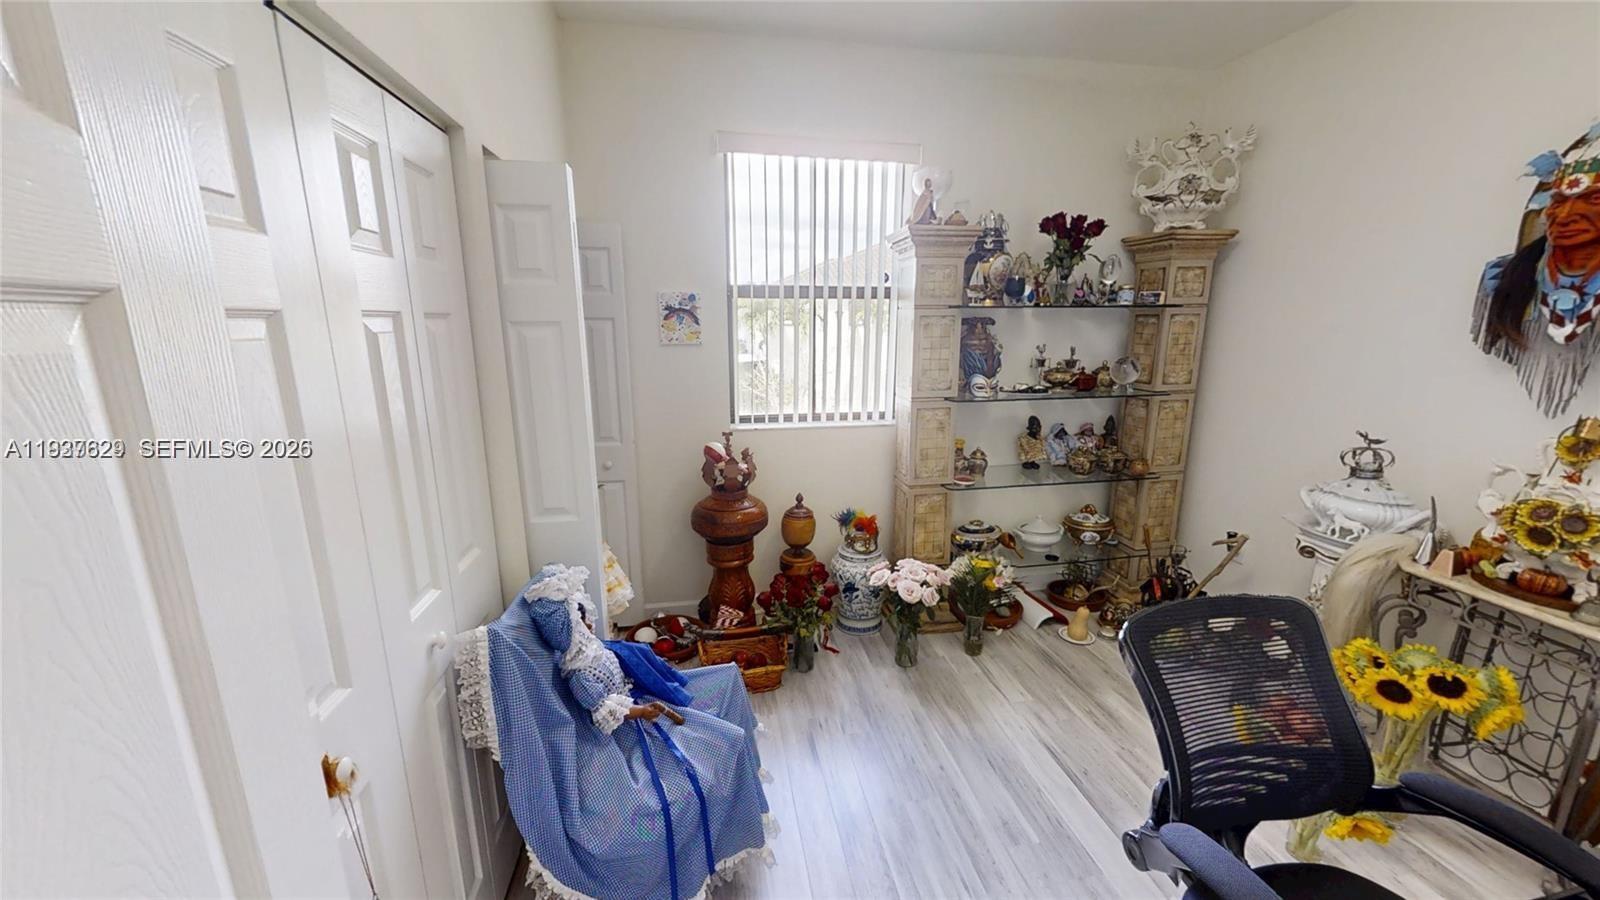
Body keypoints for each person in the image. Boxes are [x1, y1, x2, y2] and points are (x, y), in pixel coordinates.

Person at [457, 564, 774, 900]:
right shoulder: (578, 673)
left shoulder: (591, 652)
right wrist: (642, 711)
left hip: (638, 701)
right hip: (627, 727)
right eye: (579, 619)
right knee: (715, 745)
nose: (587, 624)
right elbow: (604, 712)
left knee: (726, 686)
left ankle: (734, 804)